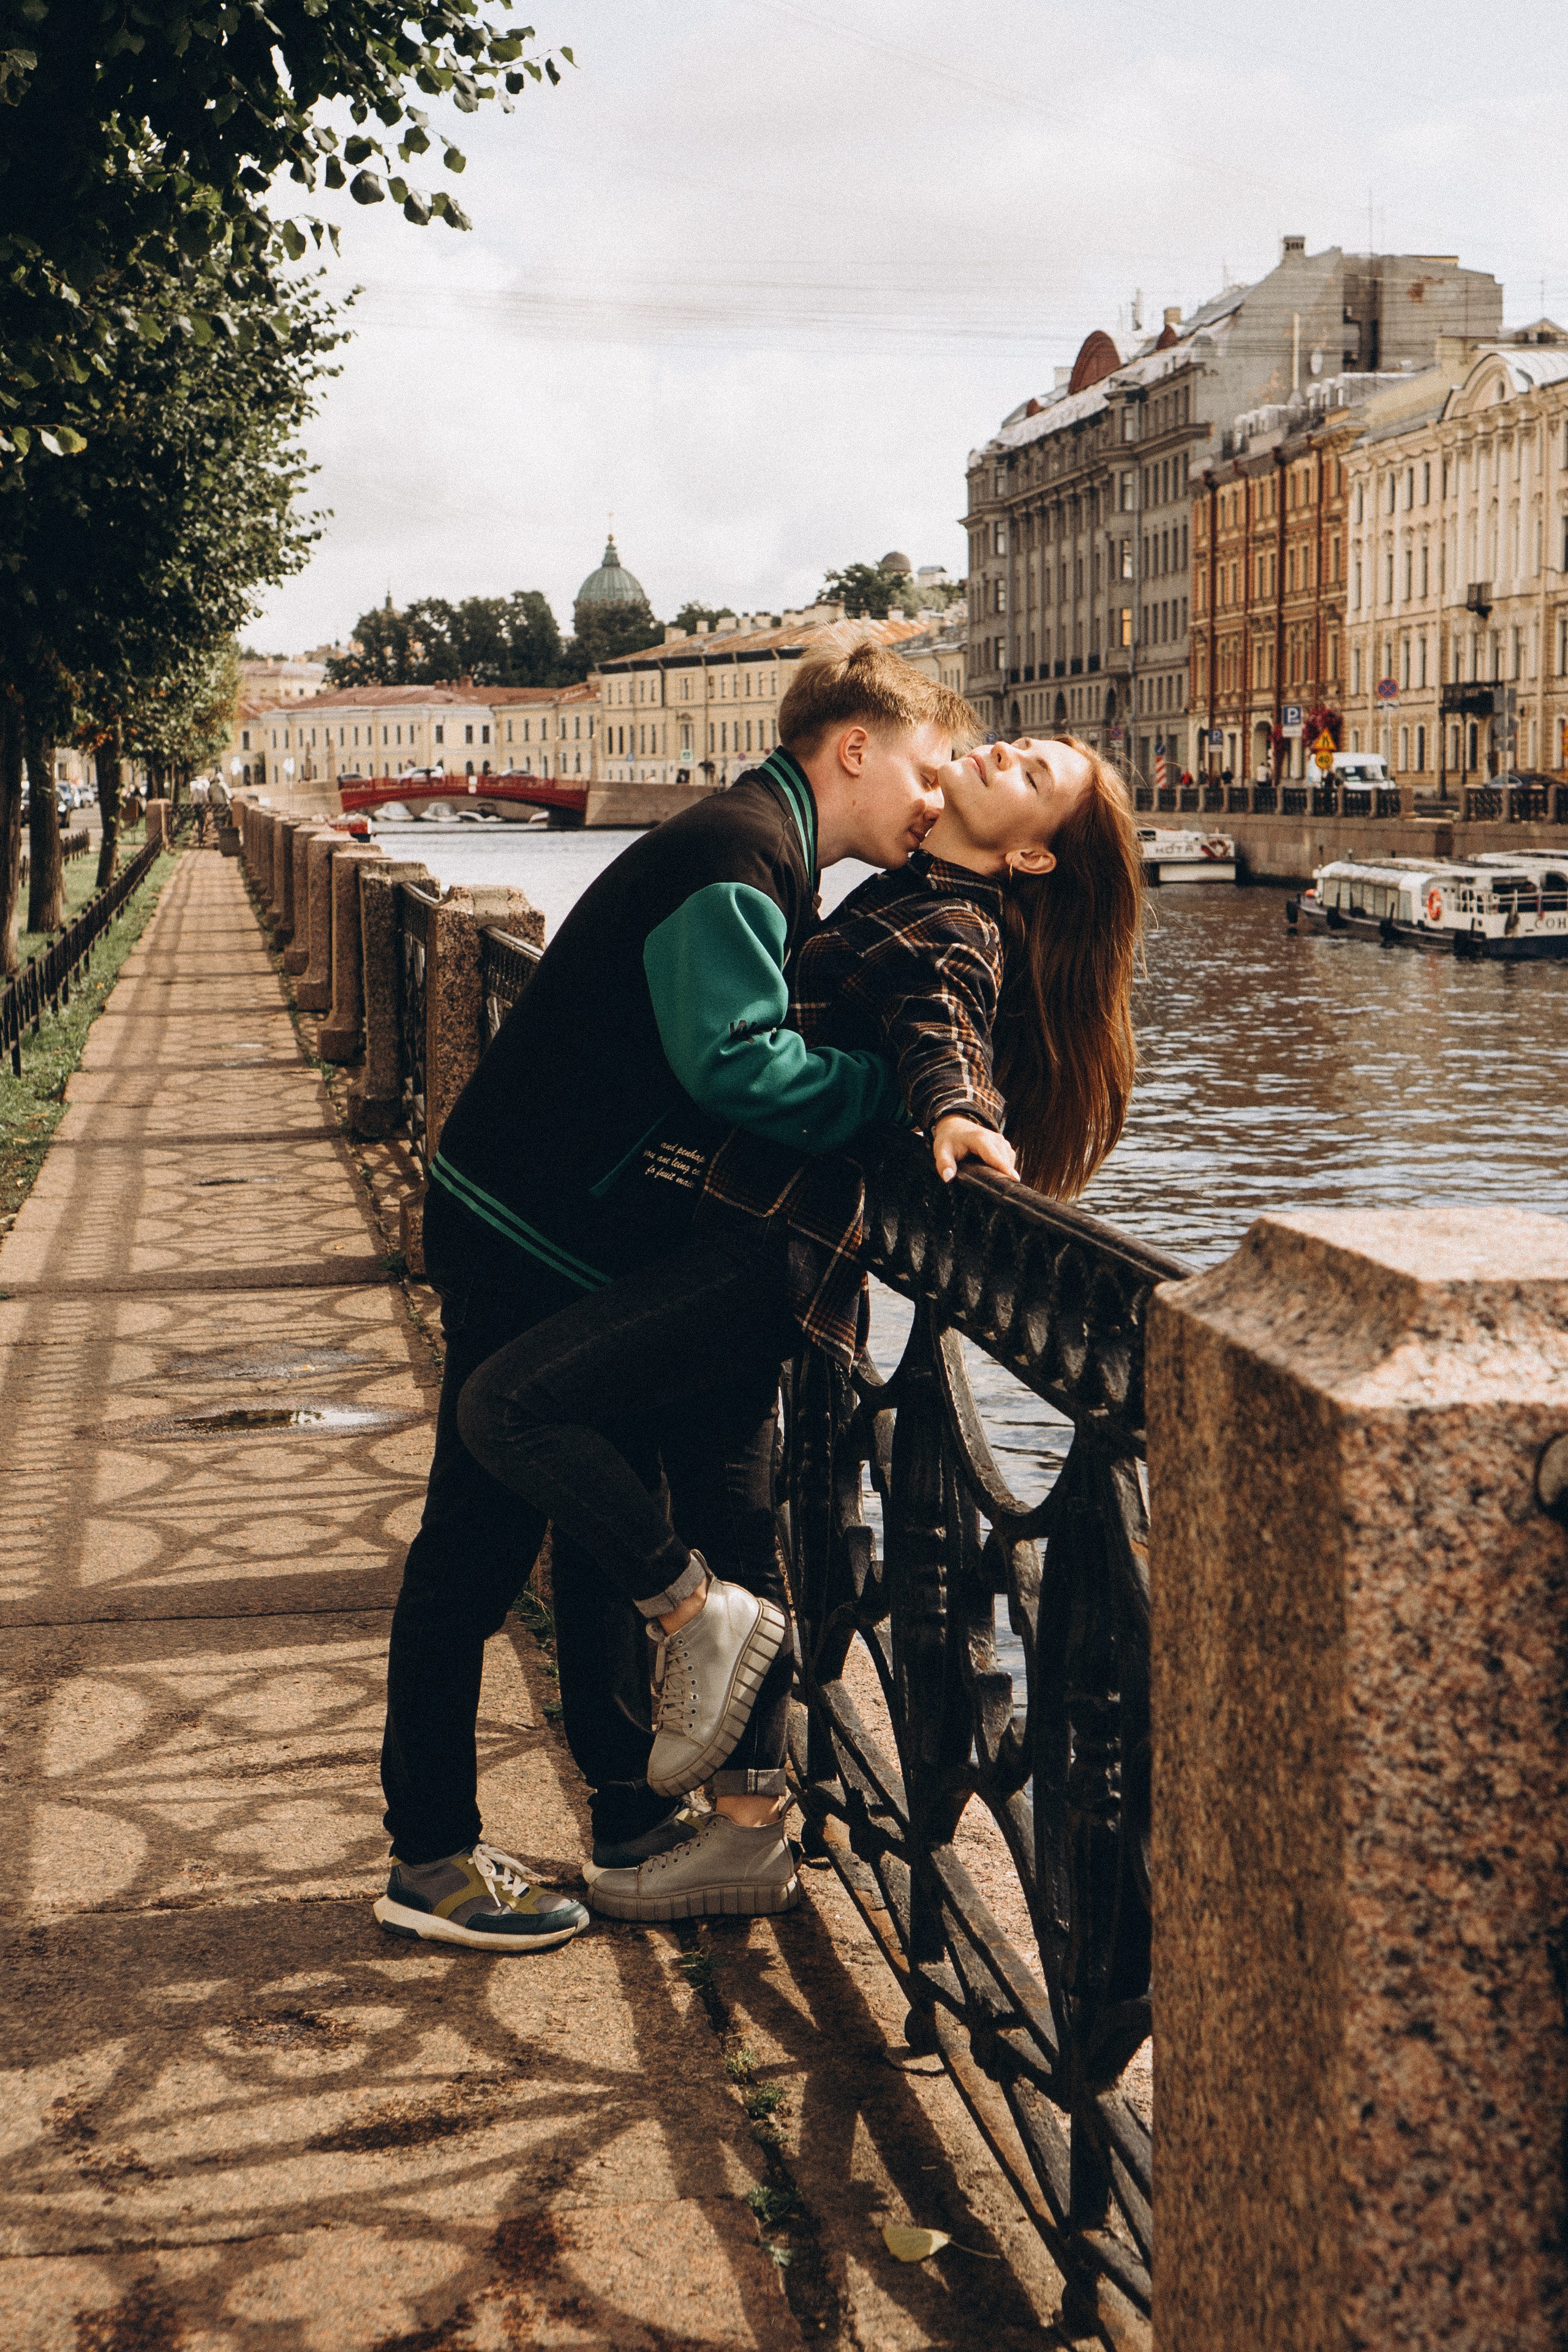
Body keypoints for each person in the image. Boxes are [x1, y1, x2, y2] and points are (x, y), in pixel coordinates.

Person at [458, 728, 1144, 1925]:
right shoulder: (904, 885)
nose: (1006, 752)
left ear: (1033, 857)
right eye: (1020, 743)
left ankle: (695, 1623)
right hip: (732, 1243)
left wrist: (955, 1112)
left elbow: (942, 1026)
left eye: (1034, 775)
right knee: (733, 1519)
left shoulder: (953, 923)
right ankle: (740, 1830)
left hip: (760, 1259)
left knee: (509, 1407)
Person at [373, 635, 969, 1951]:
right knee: (471, 1552)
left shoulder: (763, 849)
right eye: (927, 771)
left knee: (599, 1530)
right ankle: (428, 1858)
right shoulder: (734, 854)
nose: (935, 800)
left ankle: (628, 1823)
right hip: (522, 1223)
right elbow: (738, 1068)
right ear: (853, 747)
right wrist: (889, 1107)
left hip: (577, 1228)